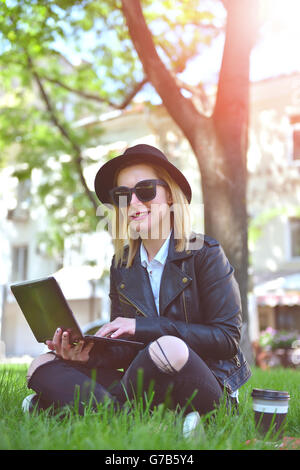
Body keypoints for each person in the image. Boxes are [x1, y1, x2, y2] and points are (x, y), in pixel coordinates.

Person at [24, 144, 251, 428]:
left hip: (205, 381)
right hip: (146, 381)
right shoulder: (122, 265)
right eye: (122, 195)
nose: (132, 203)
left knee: (169, 347)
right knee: (42, 364)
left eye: (145, 191)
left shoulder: (205, 253)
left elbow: (227, 339)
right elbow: (126, 349)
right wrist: (90, 355)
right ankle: (135, 418)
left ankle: (61, 406)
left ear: (169, 195)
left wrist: (143, 327)